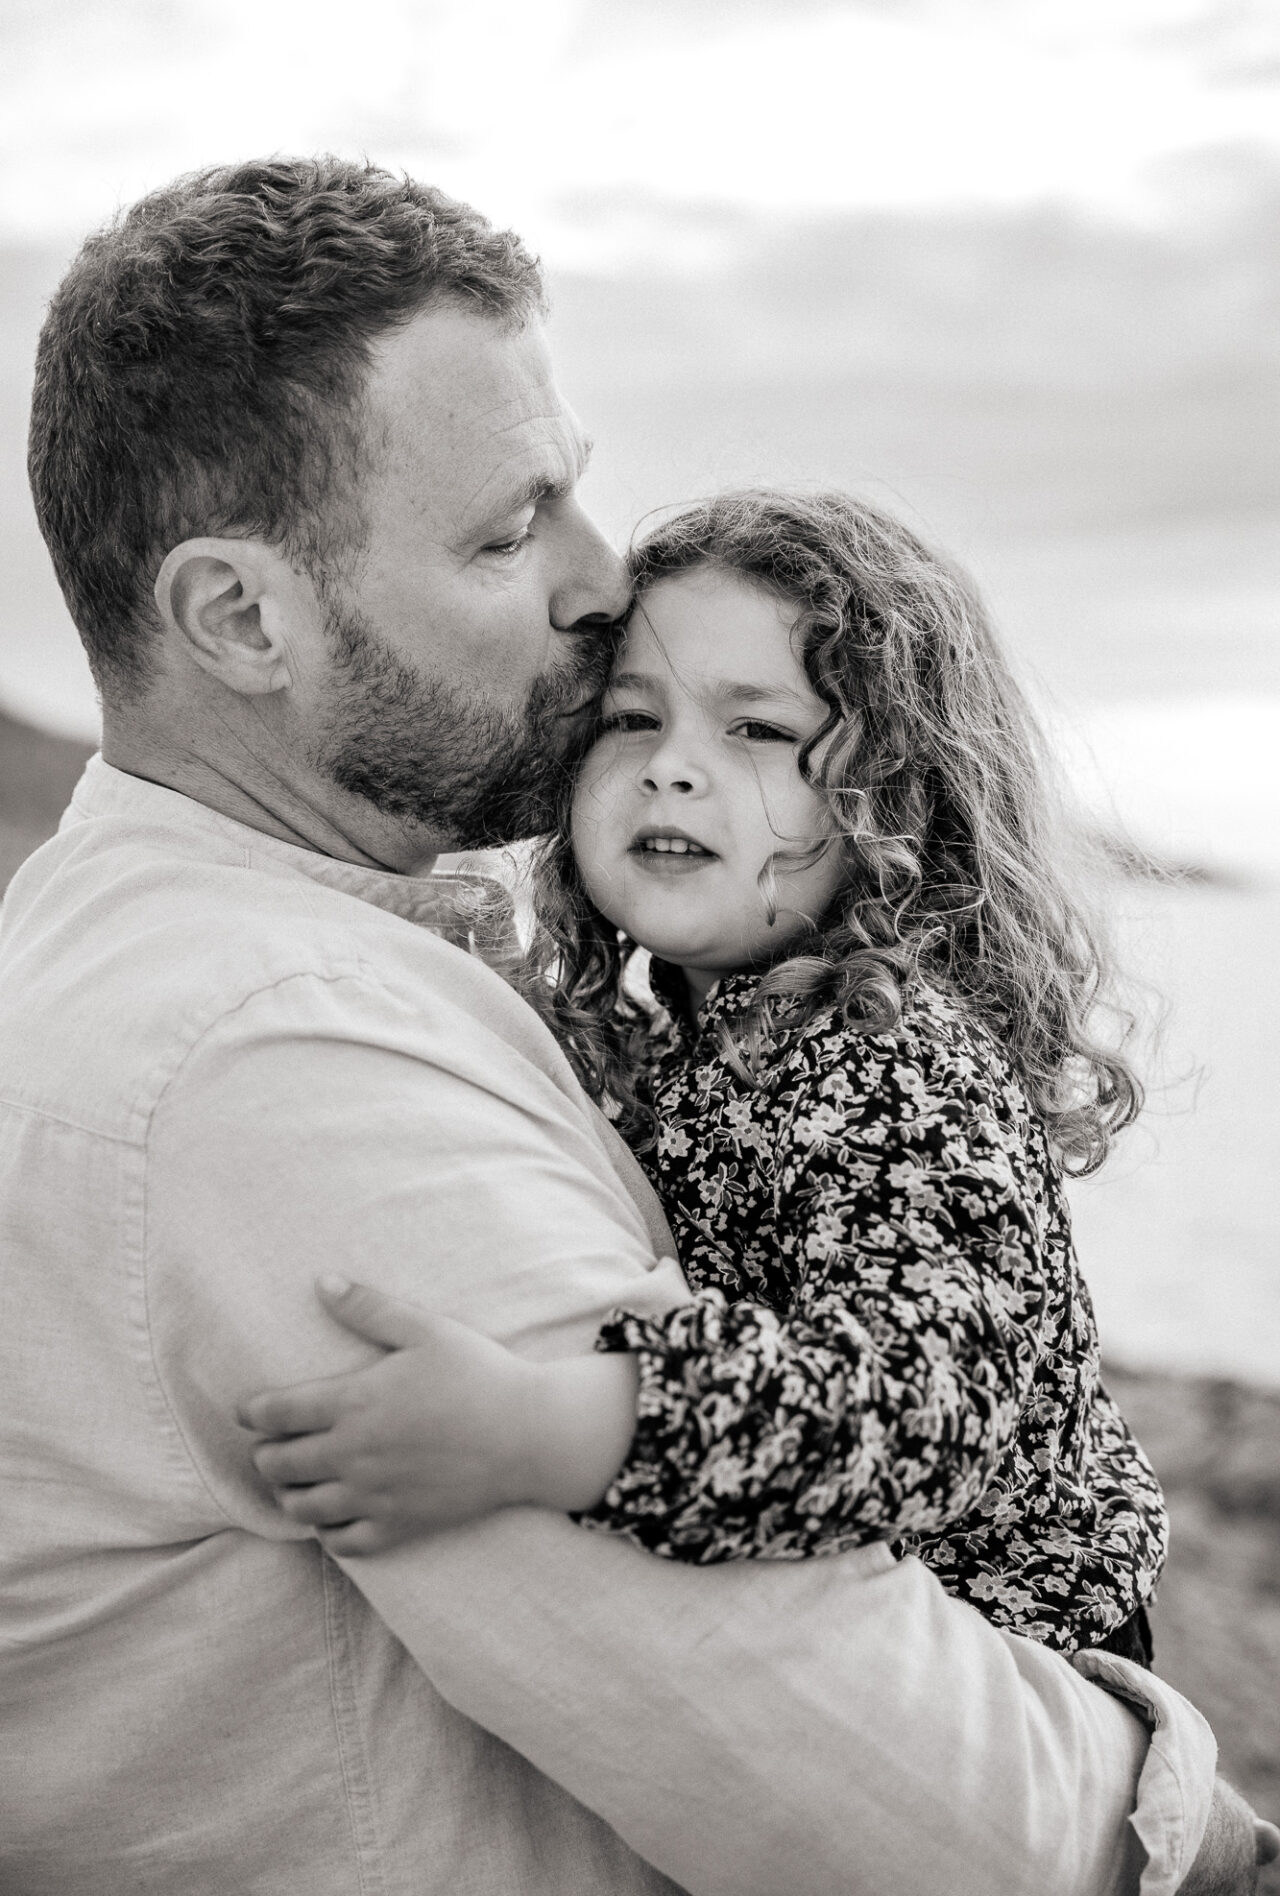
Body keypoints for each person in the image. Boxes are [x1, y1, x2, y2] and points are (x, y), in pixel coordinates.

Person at [0, 154, 1268, 1895]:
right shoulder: (284, 1050)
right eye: (510, 529)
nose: (605, 583)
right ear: (241, 615)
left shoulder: (136, 939)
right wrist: (1199, 1846)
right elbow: (843, 1753)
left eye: (574, 497)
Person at [239, 487, 1167, 1665]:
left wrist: (543, 1431)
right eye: (631, 719)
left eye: (759, 732)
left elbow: (927, 1412)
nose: (673, 769)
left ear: (896, 793)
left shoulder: (890, 1061)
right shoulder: (692, 1035)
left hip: (1031, 1700)